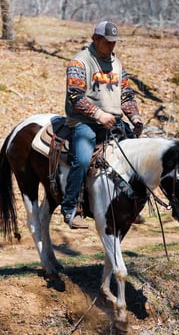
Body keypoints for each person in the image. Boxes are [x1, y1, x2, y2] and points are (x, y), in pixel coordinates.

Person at [61, 20, 144, 229]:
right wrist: (99, 115)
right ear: (95, 39)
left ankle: (131, 203)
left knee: (136, 157)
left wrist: (135, 117)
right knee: (82, 160)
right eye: (108, 41)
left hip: (112, 121)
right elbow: (75, 96)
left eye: (114, 42)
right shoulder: (80, 62)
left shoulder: (117, 64)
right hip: (84, 122)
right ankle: (70, 208)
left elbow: (126, 95)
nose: (111, 45)